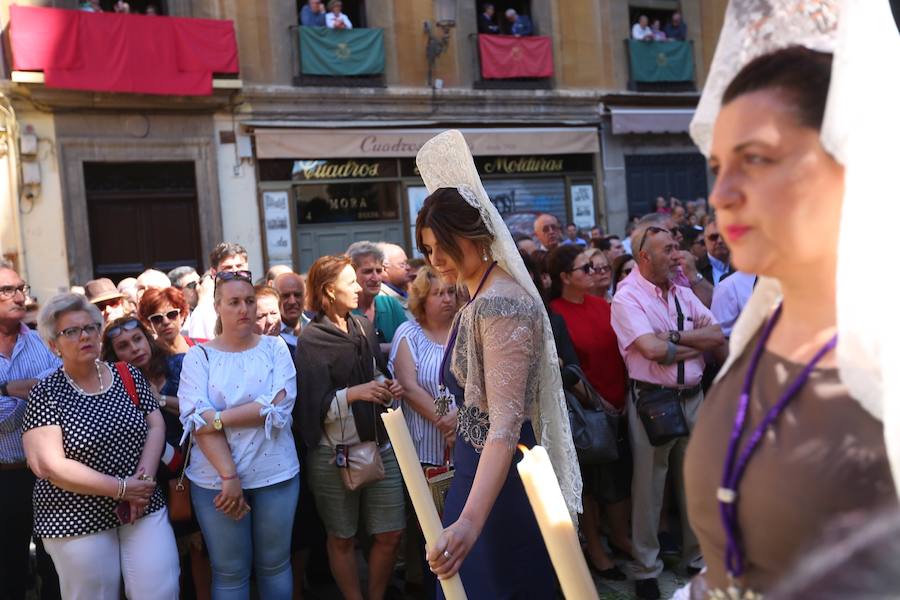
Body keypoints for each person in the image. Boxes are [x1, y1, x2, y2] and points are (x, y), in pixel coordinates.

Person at [682, 46, 897, 599]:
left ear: (851, 165)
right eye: (717, 167)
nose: (720, 196)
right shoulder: (760, 327)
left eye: (755, 158)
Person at [415, 130, 580, 599]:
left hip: (500, 483)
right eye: (428, 249)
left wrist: (469, 521)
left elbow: (505, 424)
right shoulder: (481, 295)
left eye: (444, 244)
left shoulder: (499, 303)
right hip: (478, 469)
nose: (437, 259)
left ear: (479, 233)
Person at [22, 293, 180, 599]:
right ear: (54, 344)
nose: (85, 335)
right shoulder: (46, 394)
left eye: (90, 328)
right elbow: (49, 465)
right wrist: (122, 489)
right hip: (75, 515)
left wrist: (142, 484)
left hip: (142, 504)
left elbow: (156, 426)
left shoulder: (127, 374)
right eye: (71, 331)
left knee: (161, 589)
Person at [611, 221, 725, 600]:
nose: (678, 255)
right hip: (652, 402)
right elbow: (651, 350)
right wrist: (692, 343)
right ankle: (646, 569)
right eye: (668, 249)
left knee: (695, 481)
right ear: (644, 256)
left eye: (677, 247)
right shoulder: (627, 297)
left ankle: (696, 557)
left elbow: (717, 334)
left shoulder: (682, 291)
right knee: (649, 488)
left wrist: (674, 337)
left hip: (693, 397)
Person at [179, 269, 300, 598]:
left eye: (249, 301)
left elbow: (277, 410)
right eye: (234, 302)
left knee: (275, 564)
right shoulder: (199, 356)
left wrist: (216, 418)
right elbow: (193, 420)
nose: (244, 309)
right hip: (215, 482)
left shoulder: (275, 349)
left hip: (275, 473)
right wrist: (229, 476)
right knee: (230, 572)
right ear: (217, 306)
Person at [294, 255, 405, 600]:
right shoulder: (311, 340)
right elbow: (310, 405)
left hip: (379, 445)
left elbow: (374, 373)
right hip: (333, 454)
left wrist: (388, 386)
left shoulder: (363, 327)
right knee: (342, 537)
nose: (359, 287)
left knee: (390, 533)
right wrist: (354, 394)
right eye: (351, 282)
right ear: (329, 290)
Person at [100, 315, 212, 599]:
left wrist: (156, 399)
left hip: (192, 465)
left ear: (147, 338)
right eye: (124, 346)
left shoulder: (178, 364)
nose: (135, 348)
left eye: (138, 339)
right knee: (162, 555)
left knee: (200, 546)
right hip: (146, 473)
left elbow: (199, 408)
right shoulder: (111, 382)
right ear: (114, 355)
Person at [547, 246, 632, 581]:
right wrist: (599, 402)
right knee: (591, 486)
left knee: (620, 479)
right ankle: (595, 550)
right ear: (565, 277)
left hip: (621, 405)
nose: (595, 271)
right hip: (587, 413)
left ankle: (620, 538)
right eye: (585, 268)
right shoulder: (555, 313)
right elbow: (571, 369)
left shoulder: (603, 306)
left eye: (596, 265)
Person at [388, 266, 460, 597]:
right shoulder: (409, 333)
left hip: (465, 442)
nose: (447, 299)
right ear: (422, 299)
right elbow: (409, 386)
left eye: (450, 292)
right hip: (424, 452)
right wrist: (446, 422)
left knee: (461, 525)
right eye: (438, 293)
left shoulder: (464, 329)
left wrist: (459, 421)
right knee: (431, 531)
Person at [0, 263, 61, 600]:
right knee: (8, 571)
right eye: (8, 290)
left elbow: (59, 400)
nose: (19, 296)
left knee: (54, 566)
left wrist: (4, 392)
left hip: (48, 474)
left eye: (21, 288)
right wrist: (12, 389)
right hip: (4, 477)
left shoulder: (44, 344)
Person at [347, 241, 408, 355]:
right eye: (368, 271)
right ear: (352, 273)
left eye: (379, 271)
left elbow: (410, 343)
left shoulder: (390, 305)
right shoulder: (344, 309)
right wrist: (388, 348)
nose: (375, 278)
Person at [185, 242, 249, 340]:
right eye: (228, 268)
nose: (235, 272)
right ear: (214, 273)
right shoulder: (203, 313)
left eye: (239, 266)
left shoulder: (259, 301)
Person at [138, 287, 204, 357]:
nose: (166, 322)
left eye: (172, 314)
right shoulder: (145, 359)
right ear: (149, 324)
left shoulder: (205, 347)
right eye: (157, 318)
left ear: (181, 316)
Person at [274, 272, 308, 356]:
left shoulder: (314, 328)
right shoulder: (269, 333)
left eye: (297, 295)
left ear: (305, 297)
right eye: (285, 296)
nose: (292, 301)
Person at [378, 242, 414, 310]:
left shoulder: (404, 292)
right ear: (384, 269)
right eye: (402, 264)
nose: (408, 267)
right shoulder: (382, 302)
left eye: (407, 263)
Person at [696, 220, 733, 286]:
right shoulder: (696, 268)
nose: (720, 241)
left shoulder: (744, 266)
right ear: (704, 241)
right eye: (713, 237)